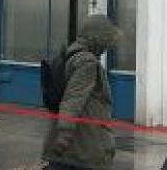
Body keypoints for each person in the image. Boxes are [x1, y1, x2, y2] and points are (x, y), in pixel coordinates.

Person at [42, 15, 122, 170]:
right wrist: (64, 135)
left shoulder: (70, 55)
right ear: (98, 38)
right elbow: (73, 99)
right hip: (82, 150)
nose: (106, 48)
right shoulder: (87, 62)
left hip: (71, 150)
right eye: (106, 41)